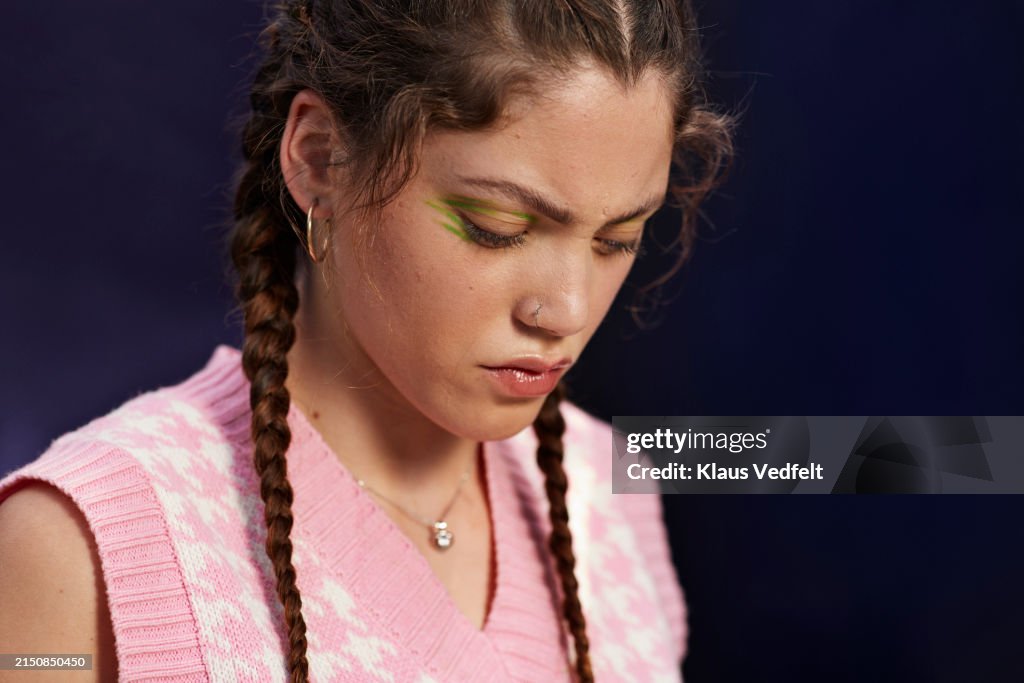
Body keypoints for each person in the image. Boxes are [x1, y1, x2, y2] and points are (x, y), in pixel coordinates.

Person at [0, 1, 731, 681]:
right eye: (497, 228)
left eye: (618, 239)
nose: (566, 309)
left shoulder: (608, 491)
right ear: (321, 159)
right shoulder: (74, 549)